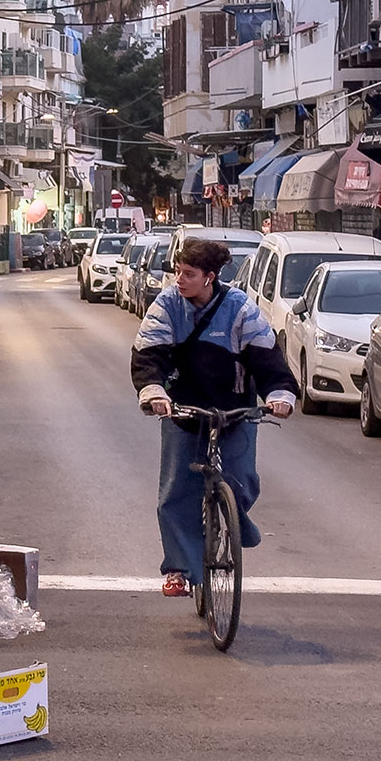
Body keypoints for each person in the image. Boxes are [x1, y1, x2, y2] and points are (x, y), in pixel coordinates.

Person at [130, 236, 297, 597]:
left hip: (233, 409)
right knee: (176, 490)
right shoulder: (166, 306)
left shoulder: (240, 308)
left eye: (188, 273)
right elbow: (148, 355)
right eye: (177, 271)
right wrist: (154, 392)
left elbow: (267, 357)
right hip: (182, 410)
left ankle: (235, 525)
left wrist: (280, 394)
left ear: (209, 277)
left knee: (243, 479)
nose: (180, 279)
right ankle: (180, 568)